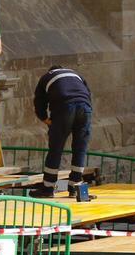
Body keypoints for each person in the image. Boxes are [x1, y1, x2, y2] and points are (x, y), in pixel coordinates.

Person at [32, 65, 92, 198]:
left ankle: (48, 189)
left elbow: (39, 102)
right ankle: (76, 188)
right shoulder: (75, 74)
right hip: (85, 107)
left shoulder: (46, 77)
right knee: (80, 149)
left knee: (56, 149)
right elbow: (87, 93)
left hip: (65, 107)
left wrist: (46, 119)